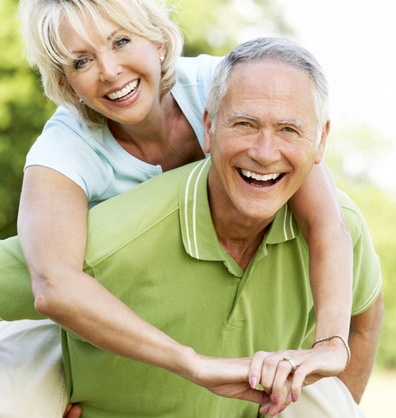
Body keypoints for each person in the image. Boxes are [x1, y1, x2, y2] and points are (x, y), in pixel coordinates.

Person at [0, 37, 383, 418]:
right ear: (208, 127)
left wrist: (332, 348)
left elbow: (354, 290)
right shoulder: (87, 192)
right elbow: (50, 283)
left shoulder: (223, 79)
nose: (265, 153)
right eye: (245, 124)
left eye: (288, 130)